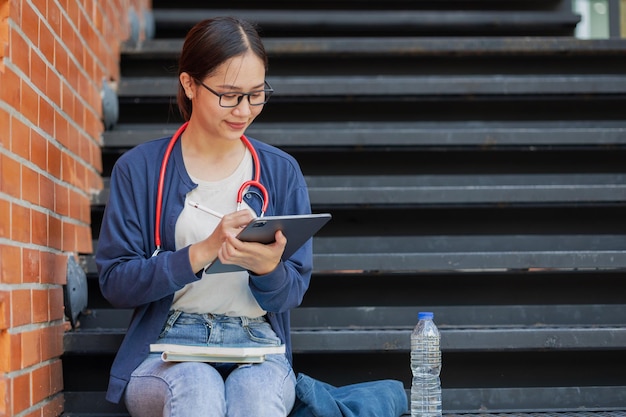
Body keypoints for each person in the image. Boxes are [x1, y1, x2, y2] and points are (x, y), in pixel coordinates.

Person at [96, 17, 313, 417]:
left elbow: (292, 292)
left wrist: (268, 271)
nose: (244, 110)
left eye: (256, 94)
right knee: (197, 387)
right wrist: (201, 252)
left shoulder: (282, 172)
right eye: (229, 96)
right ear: (189, 84)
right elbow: (115, 283)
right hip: (164, 349)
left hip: (258, 348)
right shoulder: (140, 170)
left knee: (256, 399)